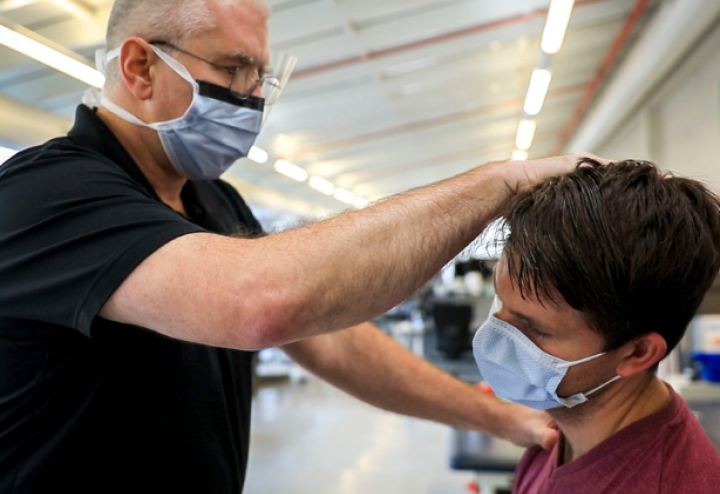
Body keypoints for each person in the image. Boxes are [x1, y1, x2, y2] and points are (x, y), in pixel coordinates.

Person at [0, 1, 601, 492]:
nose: (252, 96)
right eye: (233, 69)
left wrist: (504, 418)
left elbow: (332, 341)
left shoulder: (214, 201)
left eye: (260, 75)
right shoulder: (48, 195)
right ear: (140, 68)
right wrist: (497, 184)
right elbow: (261, 304)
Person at [474, 159, 720, 494]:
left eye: (536, 330)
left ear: (637, 352)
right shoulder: (559, 423)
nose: (496, 334)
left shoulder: (670, 482)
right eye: (501, 303)